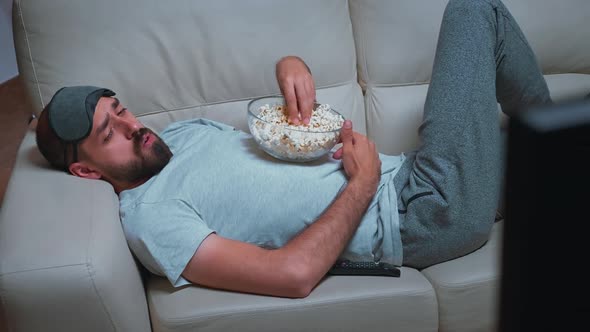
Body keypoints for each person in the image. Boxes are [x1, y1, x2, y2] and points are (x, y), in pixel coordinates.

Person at [35, 0, 551, 298]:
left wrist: (290, 65)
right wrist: (364, 180)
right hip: (418, 211)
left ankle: (552, 159)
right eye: (110, 134)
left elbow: (279, 144)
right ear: (85, 171)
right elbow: (293, 275)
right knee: (475, 10)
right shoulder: (150, 217)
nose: (132, 127)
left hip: (413, 175)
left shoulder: (183, 136)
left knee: (554, 156)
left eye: (120, 109)